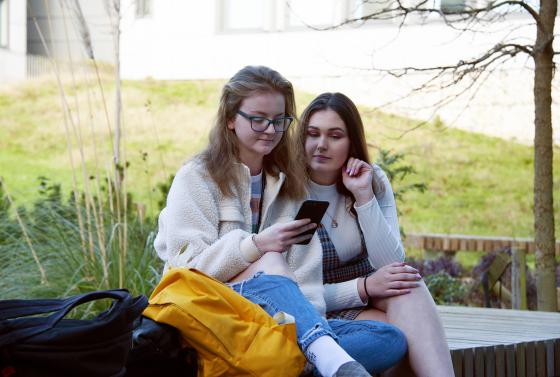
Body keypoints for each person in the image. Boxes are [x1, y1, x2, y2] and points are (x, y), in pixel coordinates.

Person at [154, 66, 406, 377]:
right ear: (230, 119)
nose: (270, 130)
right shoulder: (197, 177)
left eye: (279, 120)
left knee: (389, 339)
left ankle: (304, 357)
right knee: (270, 259)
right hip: (217, 318)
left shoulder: (287, 182)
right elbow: (185, 270)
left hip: (277, 325)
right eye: (258, 119)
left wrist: (310, 323)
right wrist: (255, 246)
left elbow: (304, 275)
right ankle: (321, 356)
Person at [297, 92, 455, 377]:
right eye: (312, 134)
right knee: (402, 338)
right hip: (318, 308)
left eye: (335, 135)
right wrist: (364, 287)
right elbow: (296, 293)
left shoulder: (372, 178)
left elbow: (390, 263)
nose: (321, 145)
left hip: (367, 296)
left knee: (409, 284)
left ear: (352, 142)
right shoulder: (288, 192)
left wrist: (363, 196)